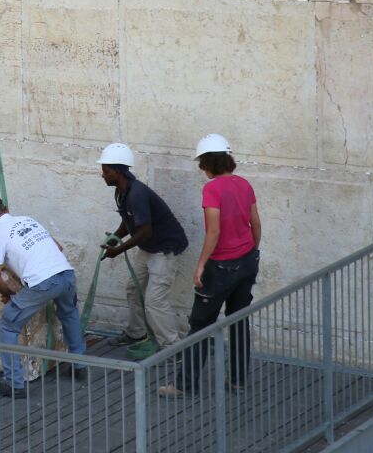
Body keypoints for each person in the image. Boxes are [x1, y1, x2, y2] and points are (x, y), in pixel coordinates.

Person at [163, 133, 261, 397]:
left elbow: (214, 231)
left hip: (222, 266)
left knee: (200, 324)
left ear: (207, 162)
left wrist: (200, 266)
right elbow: (255, 223)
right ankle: (238, 380)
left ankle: (185, 385)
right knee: (239, 320)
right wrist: (252, 251)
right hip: (247, 261)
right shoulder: (244, 184)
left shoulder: (212, 189)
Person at [0, 196, 88, 397]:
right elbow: (58, 248)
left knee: (7, 324)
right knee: (69, 314)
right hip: (66, 275)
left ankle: (14, 384)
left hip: (43, 283)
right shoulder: (28, 220)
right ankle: (80, 365)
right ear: (6, 209)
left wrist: (10, 296)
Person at [97, 142, 188, 349]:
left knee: (155, 301)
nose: (102, 175)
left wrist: (118, 250)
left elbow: (145, 230)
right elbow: (129, 222)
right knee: (133, 289)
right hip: (149, 247)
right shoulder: (122, 191)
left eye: (106, 171)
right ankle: (136, 333)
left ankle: (173, 348)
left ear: (118, 171)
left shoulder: (136, 194)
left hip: (165, 249)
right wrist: (115, 237)